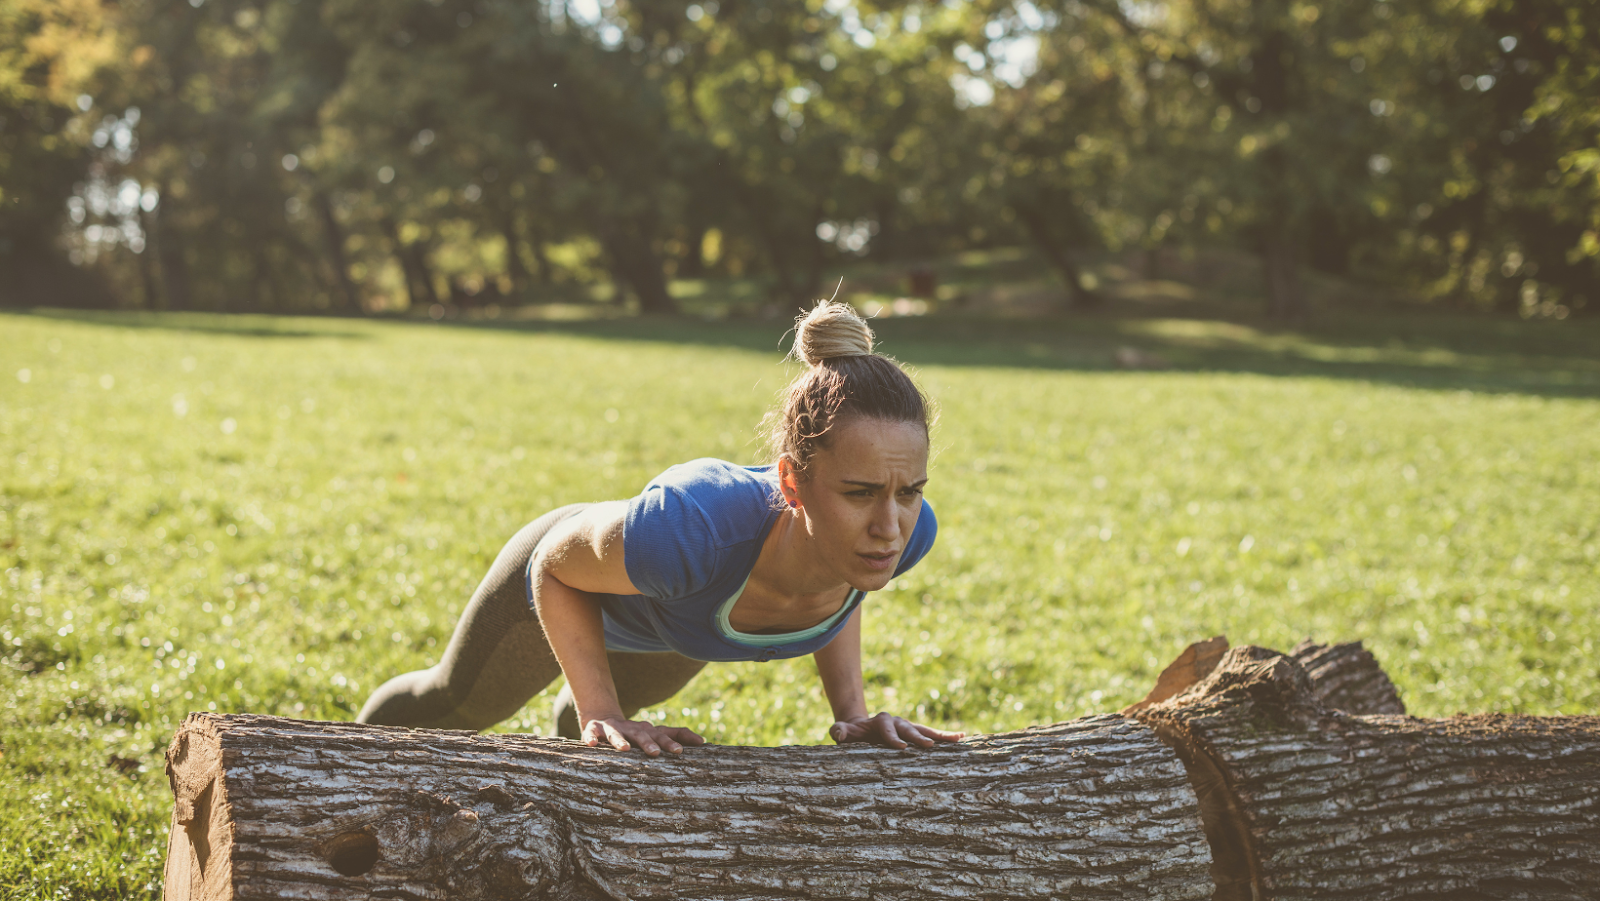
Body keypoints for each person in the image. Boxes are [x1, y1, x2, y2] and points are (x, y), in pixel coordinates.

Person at [357, 300, 963, 755]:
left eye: (908, 492)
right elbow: (553, 568)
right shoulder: (692, 527)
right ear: (791, 482)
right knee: (453, 706)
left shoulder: (907, 534)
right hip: (577, 580)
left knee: (599, 736)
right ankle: (343, 758)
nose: (889, 525)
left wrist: (852, 714)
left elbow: (840, 581)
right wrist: (603, 709)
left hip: (676, 618)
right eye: (859, 494)